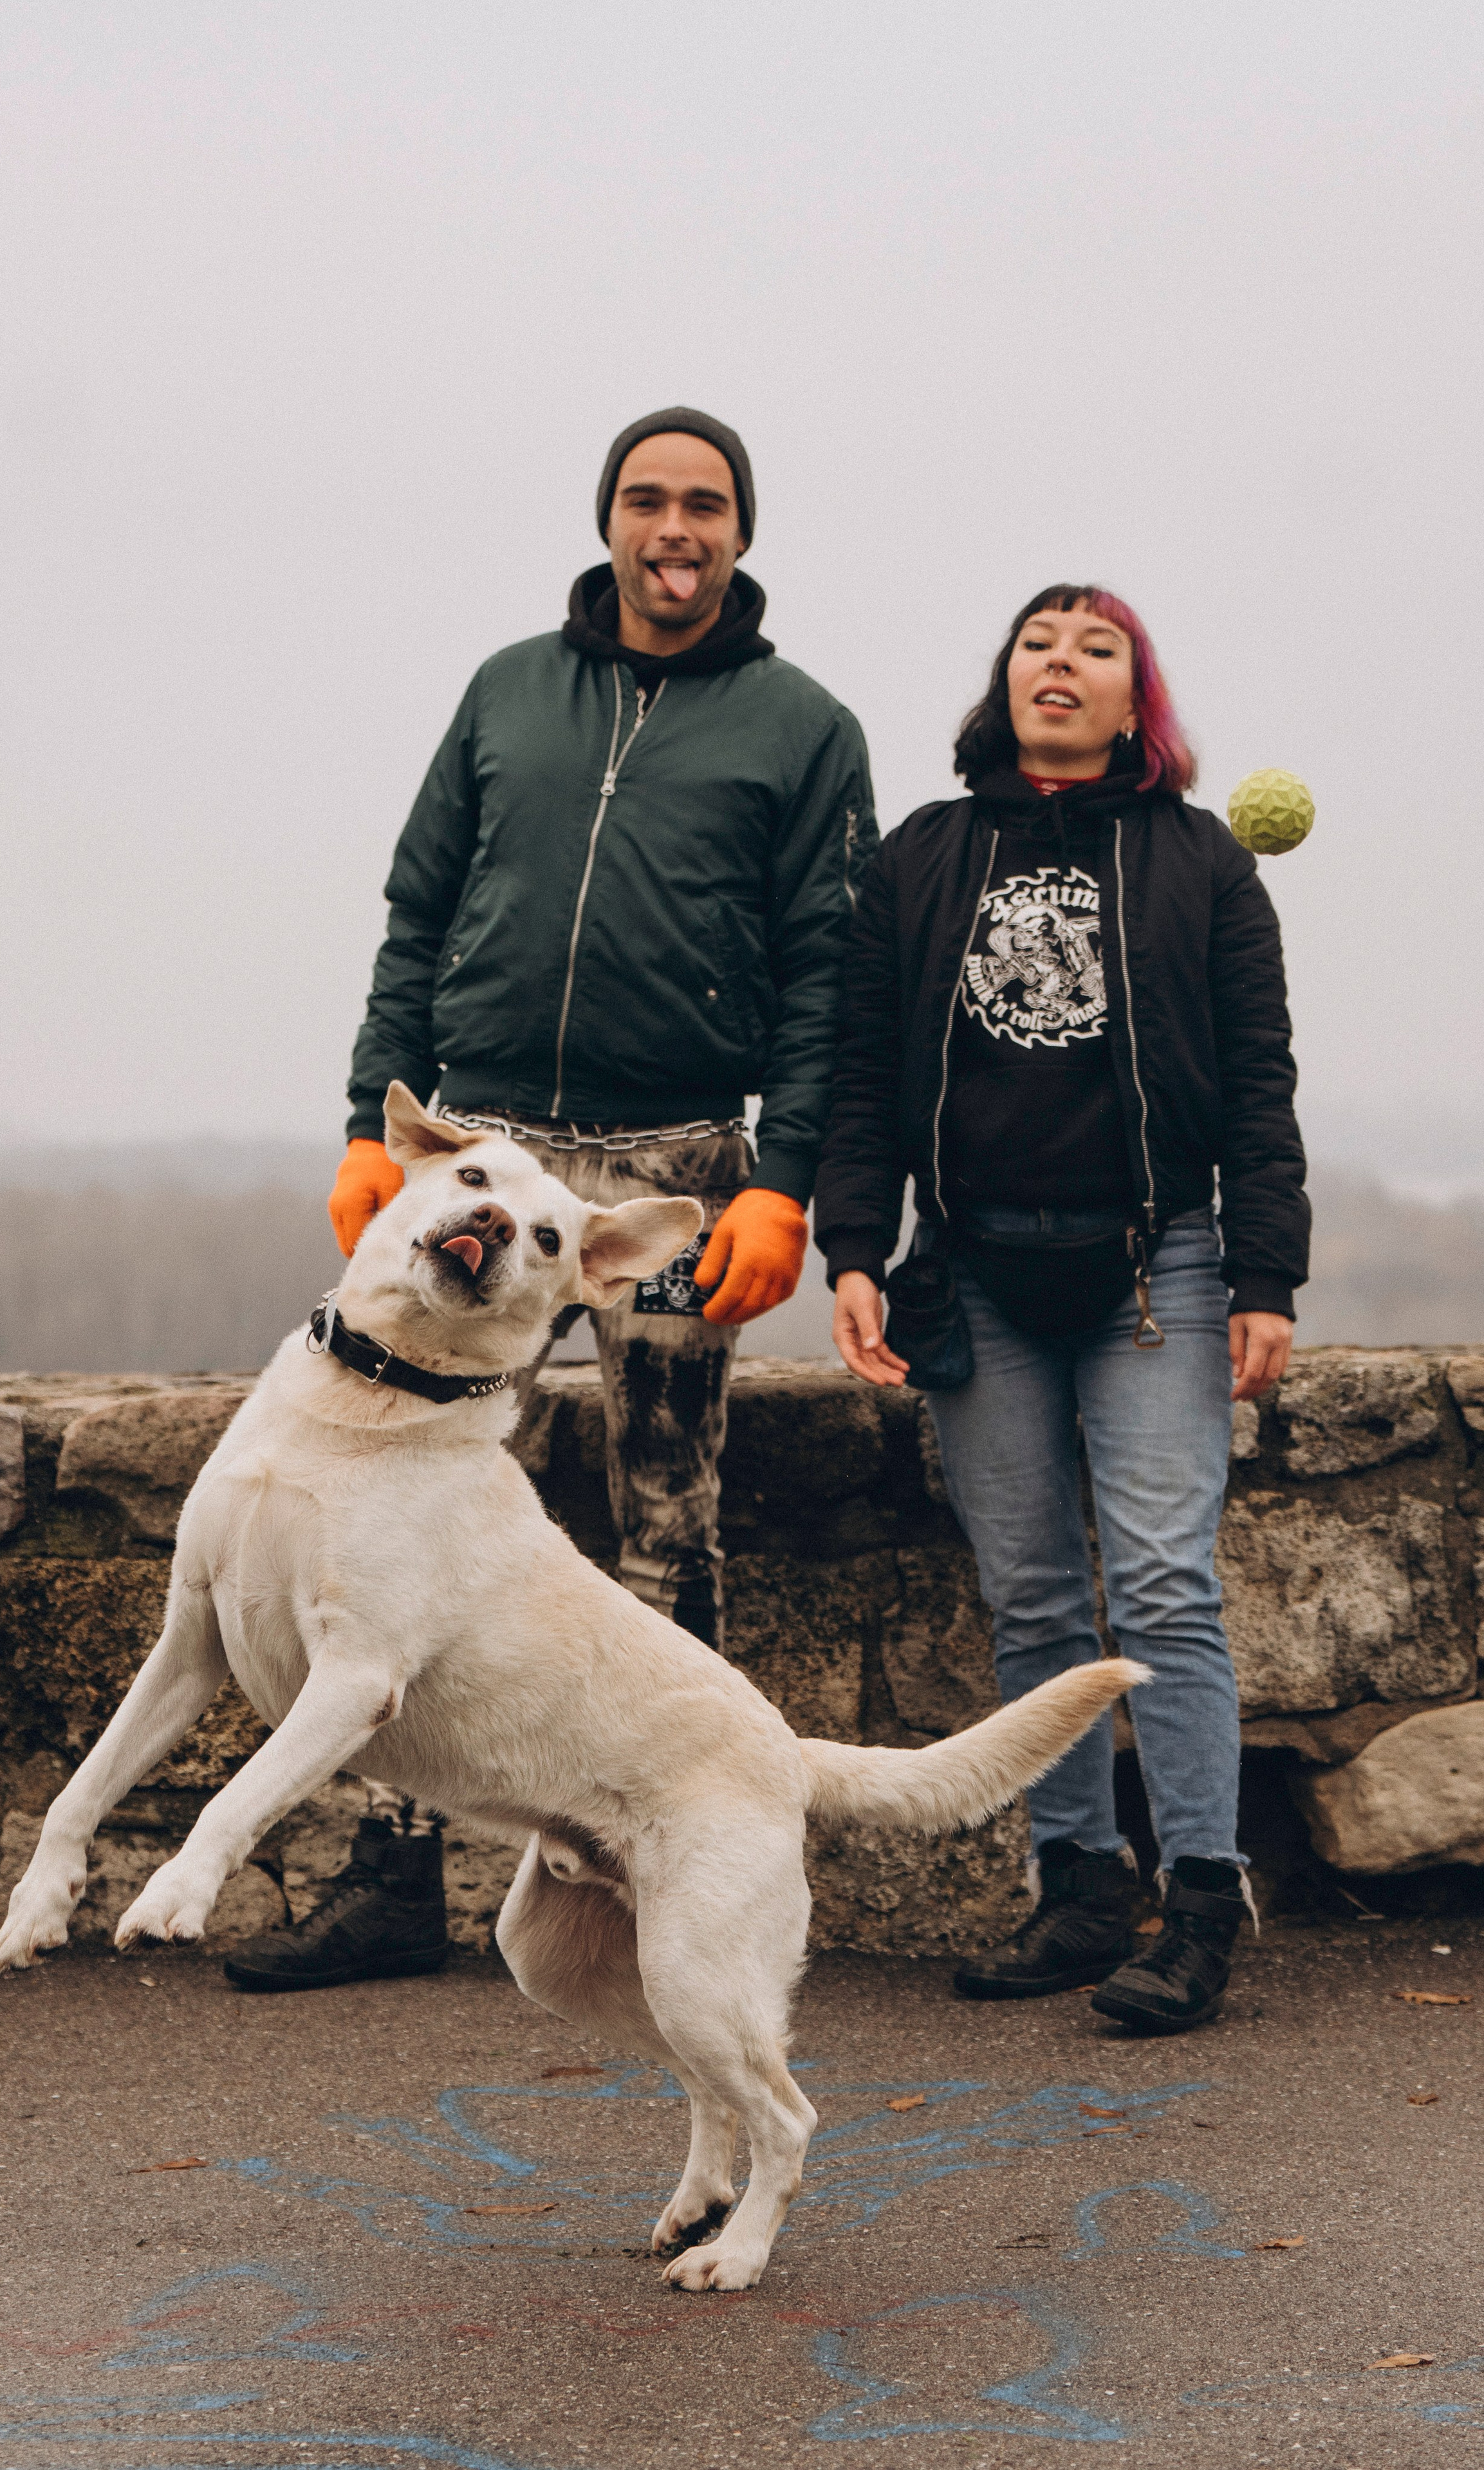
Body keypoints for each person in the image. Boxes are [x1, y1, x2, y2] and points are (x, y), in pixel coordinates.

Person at [223, 407, 877, 1994]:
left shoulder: (804, 727)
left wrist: (782, 1182)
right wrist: (372, 1124)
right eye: (647, 499)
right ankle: (390, 1878)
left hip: (672, 1168)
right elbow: (417, 908)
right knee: (391, 1525)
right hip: (486, 1160)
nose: (675, 527)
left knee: (666, 1509)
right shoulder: (508, 689)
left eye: (705, 503)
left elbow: (826, 975)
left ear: (740, 532)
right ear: (608, 522)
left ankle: (672, 1857)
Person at [814, 586, 1308, 2035]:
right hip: (973, 1272)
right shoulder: (923, 854)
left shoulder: (1202, 862)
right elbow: (861, 1073)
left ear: (1133, 700)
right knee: (1029, 1595)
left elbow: (1258, 1081)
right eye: (1039, 641)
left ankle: (1200, 1897)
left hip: (1156, 1271)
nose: (1062, 662)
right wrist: (855, 1247)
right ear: (1006, 678)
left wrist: (1265, 1275)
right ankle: (1080, 1884)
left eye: (1097, 649)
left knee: (1162, 1588)